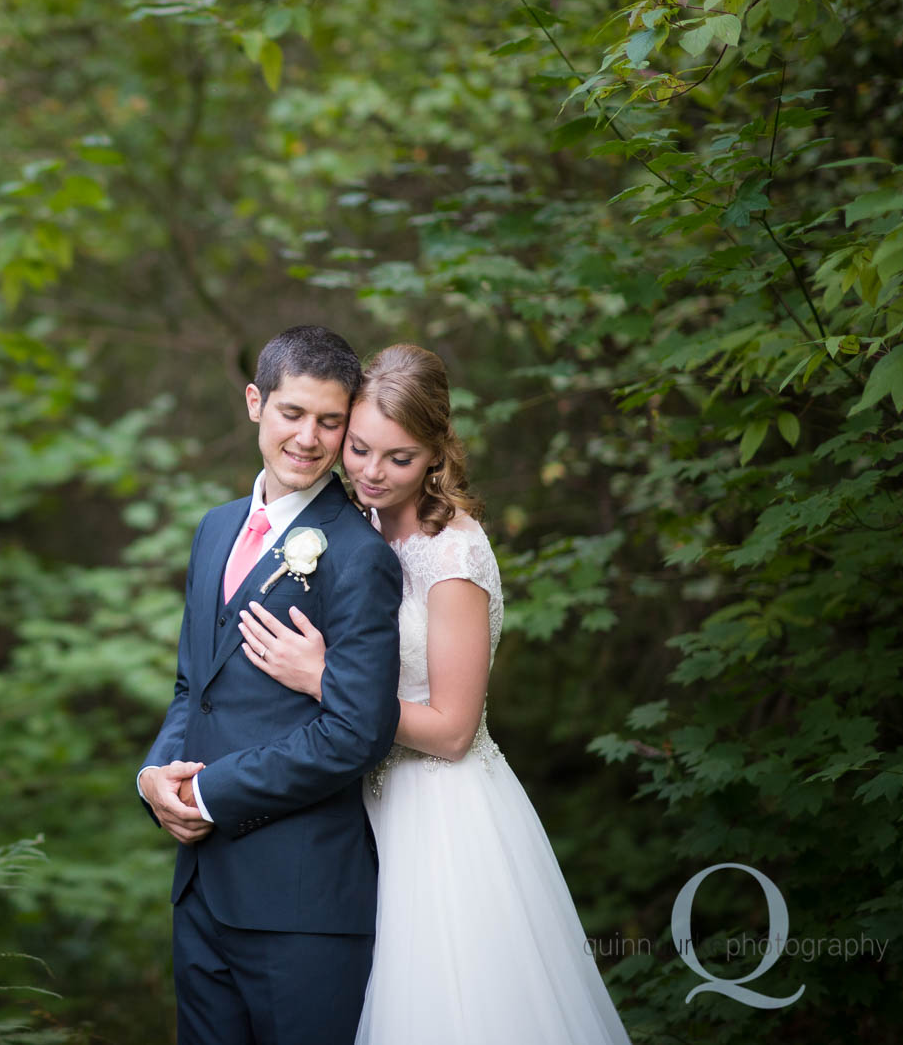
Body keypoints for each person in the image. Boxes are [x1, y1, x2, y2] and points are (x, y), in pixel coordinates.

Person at [236, 343, 631, 1044]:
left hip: (440, 815)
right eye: (358, 449)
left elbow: (453, 729)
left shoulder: (454, 556)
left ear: (436, 454)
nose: (370, 473)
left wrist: (322, 677)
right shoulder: (351, 528)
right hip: (356, 805)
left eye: (400, 458)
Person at [137, 325, 403, 1045]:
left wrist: (213, 794)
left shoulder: (358, 556)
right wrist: (156, 775)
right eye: (293, 413)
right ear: (256, 402)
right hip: (199, 892)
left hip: (303, 904)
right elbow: (195, 688)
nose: (309, 439)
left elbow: (356, 734)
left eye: (329, 421)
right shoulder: (214, 530)